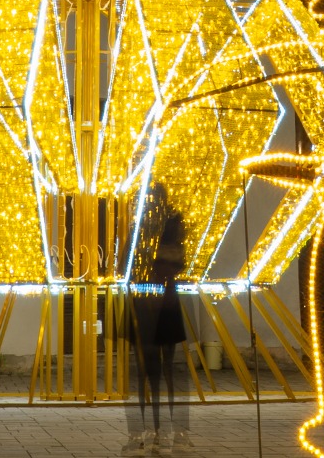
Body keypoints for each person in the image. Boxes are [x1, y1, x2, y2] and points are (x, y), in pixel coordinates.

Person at [125, 187, 192, 455]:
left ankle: (158, 431)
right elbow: (178, 262)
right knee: (155, 369)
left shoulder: (159, 227)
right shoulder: (167, 226)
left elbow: (130, 265)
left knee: (154, 369)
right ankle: (158, 431)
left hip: (153, 302)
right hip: (156, 301)